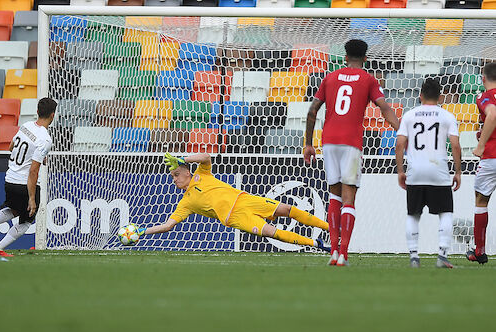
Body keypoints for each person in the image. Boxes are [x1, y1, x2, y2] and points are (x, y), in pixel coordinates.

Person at [304, 39, 400, 266]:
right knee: (349, 198)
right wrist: (401, 130)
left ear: (345, 58)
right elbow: (384, 107)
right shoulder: (368, 79)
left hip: (328, 143)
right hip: (352, 144)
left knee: (334, 196)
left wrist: (308, 144)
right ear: (365, 59)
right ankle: (344, 254)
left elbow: (312, 110)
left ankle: (333, 252)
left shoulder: (330, 78)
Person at [136, 153, 331, 252]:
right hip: (235, 216)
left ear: (187, 171)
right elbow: (168, 225)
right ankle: (318, 243)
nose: (175, 179)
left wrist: (182, 158)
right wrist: (142, 231)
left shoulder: (201, 174)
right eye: (173, 177)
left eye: (176, 174)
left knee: (287, 208)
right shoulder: (185, 203)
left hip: (244, 199)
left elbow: (205, 157)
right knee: (272, 232)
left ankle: (330, 228)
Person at [0, 98, 56, 257]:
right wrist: (32, 198)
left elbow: (10, 146)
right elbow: (33, 171)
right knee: (26, 221)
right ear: (53, 115)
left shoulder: (26, 126)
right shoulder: (45, 139)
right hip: (25, 184)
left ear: (37, 112)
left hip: (10, 179)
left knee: (13, 209)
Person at [395, 78, 461, 268]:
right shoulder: (447, 116)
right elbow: (455, 146)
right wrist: (458, 172)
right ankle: (442, 255)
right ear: (440, 97)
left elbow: (399, 144)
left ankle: (414, 256)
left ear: (420, 95)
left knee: (413, 215)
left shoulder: (409, 115)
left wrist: (401, 170)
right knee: (446, 213)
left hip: (415, 171)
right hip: (438, 170)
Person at [468, 62, 496, 264]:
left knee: (481, 200)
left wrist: (481, 144)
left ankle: (480, 251)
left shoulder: (485, 97)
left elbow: (492, 115)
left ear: (483, 78)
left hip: (492, 156)